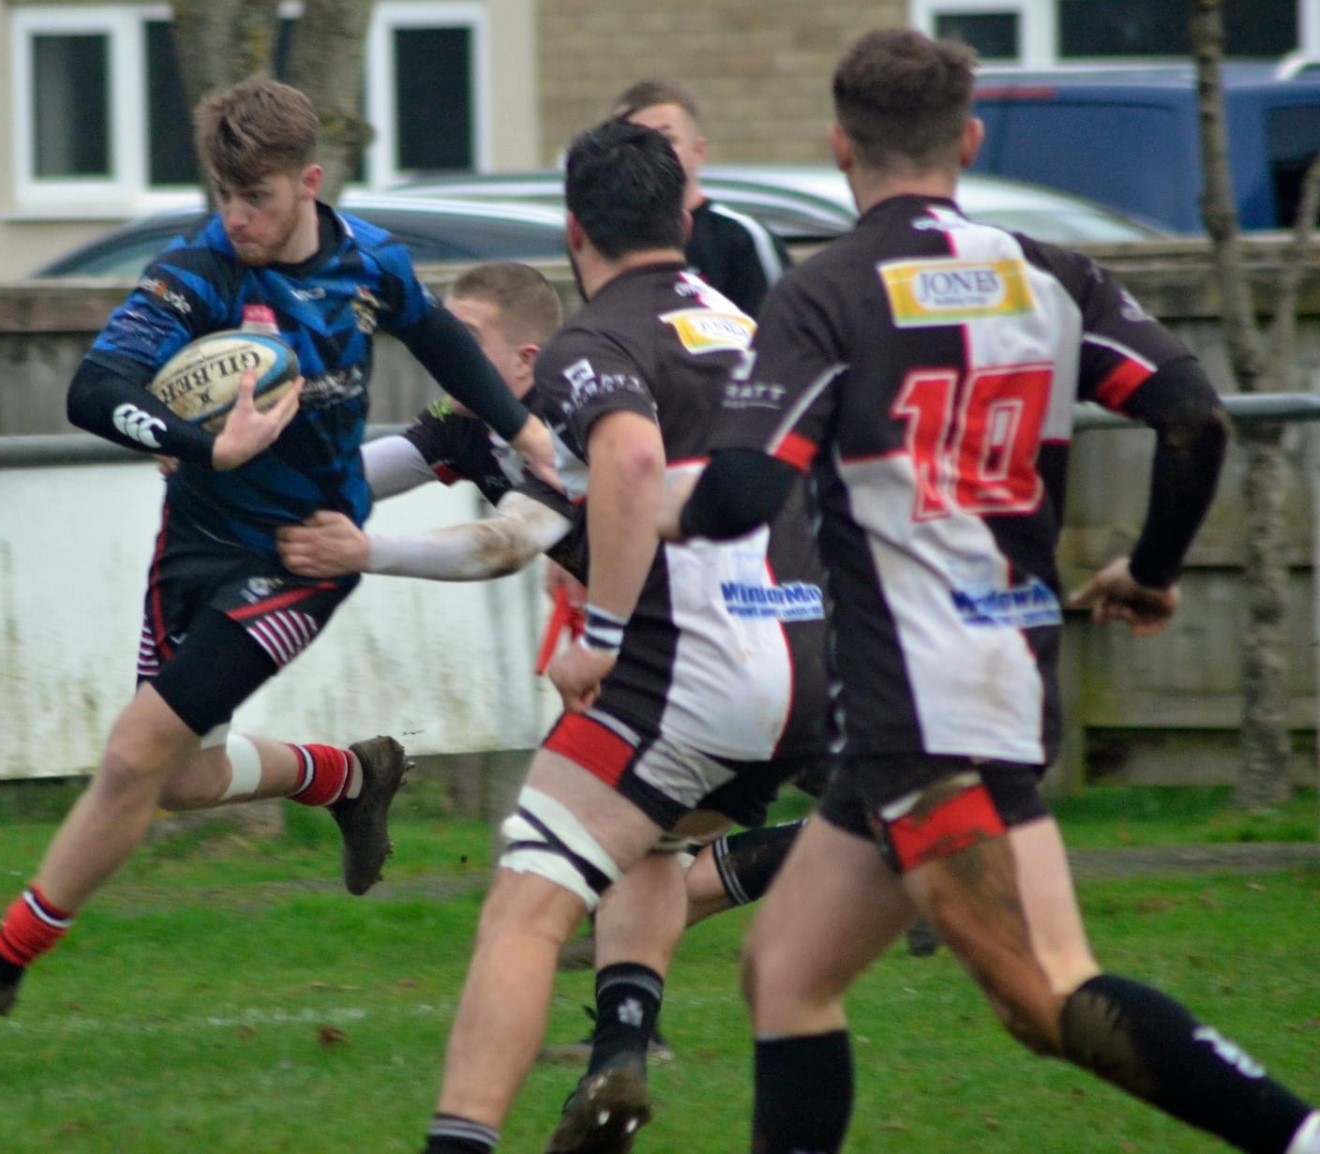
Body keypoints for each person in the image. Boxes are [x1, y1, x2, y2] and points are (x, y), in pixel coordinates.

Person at [671, 29, 1320, 1154]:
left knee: (1049, 994)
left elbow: (736, 494)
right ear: (968, 140)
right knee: (784, 970)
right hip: (985, 677)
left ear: (839, 147)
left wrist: (636, 510)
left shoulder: (828, 290)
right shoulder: (1049, 273)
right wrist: (1154, 569)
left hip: (921, 704)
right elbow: (1194, 416)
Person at [0, 77, 562, 1057]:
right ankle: (348, 774)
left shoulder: (369, 264)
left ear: (309, 183)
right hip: (192, 543)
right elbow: (93, 388)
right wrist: (205, 446)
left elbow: (442, 338)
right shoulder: (193, 273)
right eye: (225, 196)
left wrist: (523, 426)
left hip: (299, 559)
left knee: (128, 754)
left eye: (260, 199)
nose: (239, 217)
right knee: (180, 780)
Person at [278, 258, 815, 1056]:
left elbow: (508, 543)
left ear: (528, 360)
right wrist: (233, 467)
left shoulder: (570, 412)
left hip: (730, 637)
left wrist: (365, 550)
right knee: (645, 850)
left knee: (576, 853)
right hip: (695, 644)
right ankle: (630, 1043)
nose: (444, 356)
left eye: (466, 340)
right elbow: (360, 474)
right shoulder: (466, 416)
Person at [416, 122, 828, 1154]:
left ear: (573, 229)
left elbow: (633, 465)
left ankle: (457, 1142)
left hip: (696, 665)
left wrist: (599, 632)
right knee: (649, 833)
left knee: (526, 899)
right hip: (810, 656)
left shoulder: (594, 340)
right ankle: (619, 1050)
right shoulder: (742, 320)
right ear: (682, 218)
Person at [612, 80, 792, 318]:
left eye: (666, 139)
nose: (651, 152)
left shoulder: (742, 239)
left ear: (698, 151)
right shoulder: (608, 241)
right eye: (635, 143)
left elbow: (779, 337)